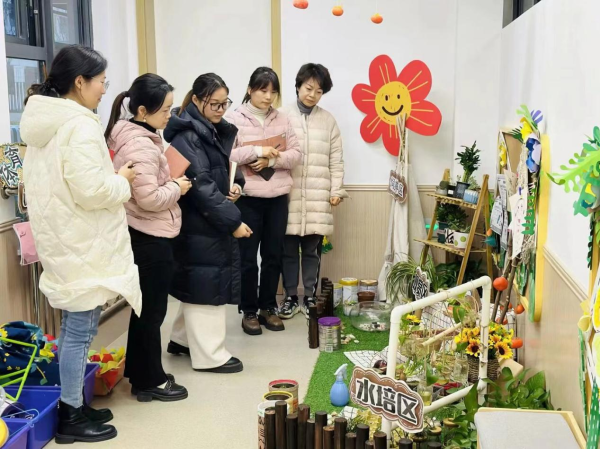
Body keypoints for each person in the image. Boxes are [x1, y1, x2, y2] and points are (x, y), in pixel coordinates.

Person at [20, 45, 141, 444]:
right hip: (82, 240)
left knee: (77, 325)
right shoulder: (79, 124)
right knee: (79, 329)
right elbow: (91, 189)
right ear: (79, 82)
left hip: (65, 238)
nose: (105, 89)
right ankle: (71, 415)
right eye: (102, 81)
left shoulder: (44, 123)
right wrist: (122, 178)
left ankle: (74, 402)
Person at [106, 74, 192, 402]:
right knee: (151, 312)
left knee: (146, 310)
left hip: (146, 232)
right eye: (166, 109)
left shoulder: (140, 135)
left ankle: (141, 373)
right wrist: (178, 186)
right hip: (149, 234)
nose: (170, 115)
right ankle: (149, 381)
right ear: (143, 110)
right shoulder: (140, 142)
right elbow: (149, 198)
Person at [165, 73, 251, 373]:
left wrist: (236, 184)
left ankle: (181, 340)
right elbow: (202, 188)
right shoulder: (188, 136)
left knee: (199, 281)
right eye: (214, 104)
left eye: (225, 103)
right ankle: (211, 356)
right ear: (198, 100)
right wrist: (233, 222)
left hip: (207, 219)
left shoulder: (213, 129)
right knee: (207, 286)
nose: (221, 109)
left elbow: (226, 168)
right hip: (198, 221)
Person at [227, 67, 302, 336]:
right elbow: (229, 155)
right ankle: (248, 310)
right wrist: (255, 152)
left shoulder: (282, 119)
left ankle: (268, 307)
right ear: (250, 89)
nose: (268, 96)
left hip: (278, 198)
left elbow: (296, 154)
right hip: (247, 199)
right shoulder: (233, 118)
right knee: (247, 257)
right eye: (262, 90)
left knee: (273, 255)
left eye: (273, 91)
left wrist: (272, 160)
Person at [279, 64, 347, 319]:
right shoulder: (281, 115)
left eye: (319, 91)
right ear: (298, 86)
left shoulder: (328, 120)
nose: (312, 94)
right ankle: (288, 297)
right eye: (309, 88)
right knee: (287, 249)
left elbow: (336, 159)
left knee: (311, 250)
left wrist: (336, 189)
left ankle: (308, 296)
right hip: (287, 195)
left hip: (319, 196)